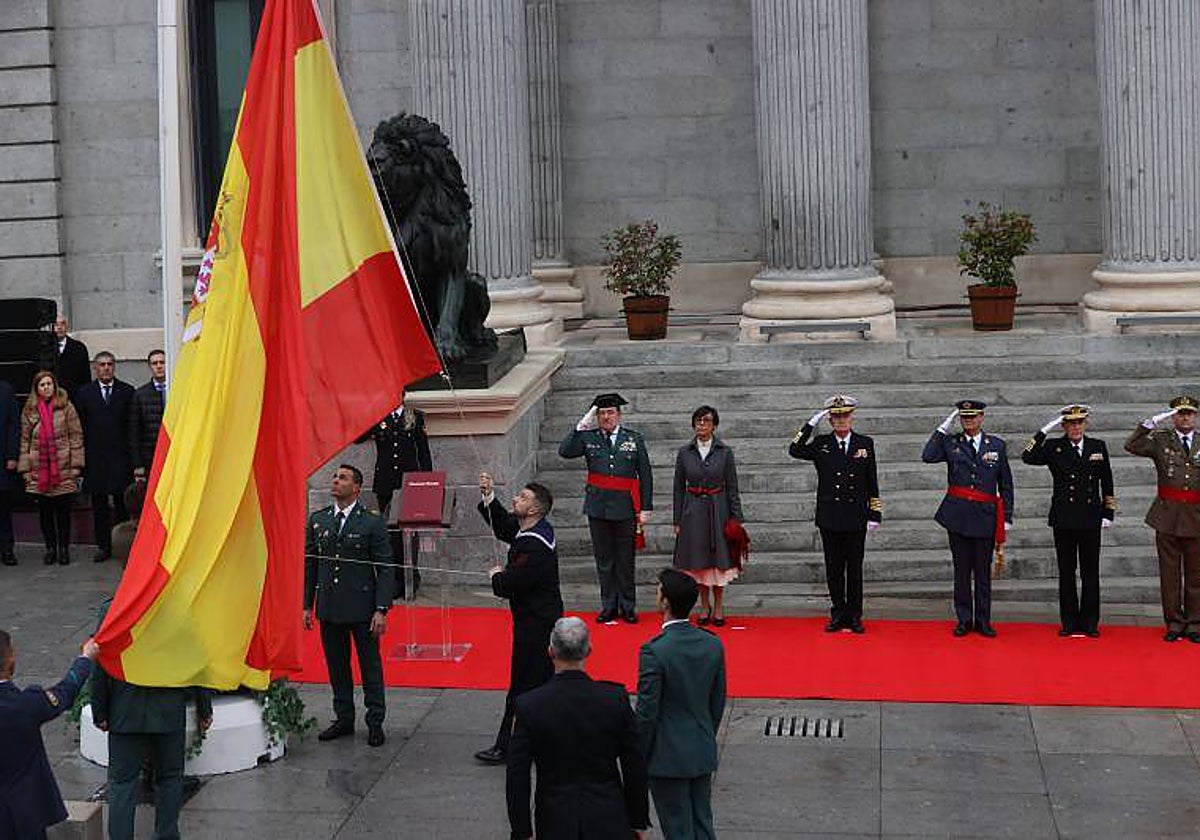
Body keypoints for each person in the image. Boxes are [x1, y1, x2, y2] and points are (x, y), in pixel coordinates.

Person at [506, 617, 649, 840]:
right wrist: (638, 819)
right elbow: (634, 764)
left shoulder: (530, 706)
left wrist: (521, 830)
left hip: (555, 818)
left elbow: (517, 774)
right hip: (608, 815)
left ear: (551, 652)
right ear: (589, 650)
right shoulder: (614, 700)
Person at [475, 472, 563, 765]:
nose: (516, 498)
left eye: (523, 497)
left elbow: (510, 585)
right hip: (537, 620)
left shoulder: (534, 544)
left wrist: (497, 575)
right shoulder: (533, 529)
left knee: (524, 685)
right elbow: (504, 526)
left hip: (536, 624)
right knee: (536, 682)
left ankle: (509, 746)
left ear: (535, 509)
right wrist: (488, 495)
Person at [303, 464, 393, 746]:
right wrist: (307, 605)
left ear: (356, 488)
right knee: (337, 666)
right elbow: (311, 565)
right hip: (330, 606)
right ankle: (343, 717)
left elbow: (385, 567)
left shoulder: (371, 522)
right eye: (334, 477)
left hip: (362, 607)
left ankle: (375, 720)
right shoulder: (319, 520)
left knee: (369, 667)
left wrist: (381, 608)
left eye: (342, 478)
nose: (335, 481)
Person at [91, 635, 212, 840]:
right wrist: (204, 705)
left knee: (122, 784)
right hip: (168, 709)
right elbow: (195, 656)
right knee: (170, 778)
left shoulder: (111, 609)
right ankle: (166, 835)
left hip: (126, 710)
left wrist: (100, 709)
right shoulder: (176, 605)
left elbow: (101, 658)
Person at [635, 568, 726, 840]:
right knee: (702, 824)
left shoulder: (654, 650)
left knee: (677, 829)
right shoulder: (711, 644)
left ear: (665, 602)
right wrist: (705, 733)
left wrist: (639, 753)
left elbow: (647, 712)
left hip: (667, 755)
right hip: (701, 746)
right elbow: (716, 701)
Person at [789, 394, 881, 633]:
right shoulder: (821, 444)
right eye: (836, 417)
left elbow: (872, 480)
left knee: (855, 568)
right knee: (833, 567)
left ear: (852, 417)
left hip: (856, 515)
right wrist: (809, 424)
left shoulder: (865, 443)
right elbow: (794, 449)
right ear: (830, 420)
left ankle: (855, 614)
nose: (841, 421)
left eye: (845, 416)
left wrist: (875, 513)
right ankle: (838, 612)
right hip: (830, 515)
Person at [921, 400, 1013, 638]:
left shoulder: (997, 445)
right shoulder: (951, 443)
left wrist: (1007, 518)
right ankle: (964, 619)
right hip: (958, 517)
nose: (969, 421)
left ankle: (983, 620)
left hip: (984, 517)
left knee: (982, 572)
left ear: (982, 418)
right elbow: (928, 456)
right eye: (964, 418)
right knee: (962, 572)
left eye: (973, 417)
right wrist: (943, 428)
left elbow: (1006, 484)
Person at [559, 392, 653, 624]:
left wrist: (646, 507)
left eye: (610, 412)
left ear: (618, 415)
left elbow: (646, 474)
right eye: (601, 413)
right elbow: (565, 451)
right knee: (604, 560)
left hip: (625, 508)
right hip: (598, 508)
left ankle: (628, 605)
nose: (606, 417)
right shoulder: (588, 437)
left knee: (625, 559)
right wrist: (583, 423)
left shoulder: (634, 439)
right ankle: (609, 605)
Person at [1023, 405, 1116, 637]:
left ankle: (1090, 623)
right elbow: (1027, 456)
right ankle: (1069, 622)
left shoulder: (1097, 446)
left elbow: (1107, 481)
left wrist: (1108, 513)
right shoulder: (1055, 446)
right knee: (1066, 572)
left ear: (1086, 424)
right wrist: (1044, 430)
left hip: (1090, 517)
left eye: (1080, 422)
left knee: (1090, 572)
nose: (1076, 427)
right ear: (1064, 425)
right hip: (1064, 518)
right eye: (1071, 423)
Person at [0, 632, 99, 840]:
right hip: (25, 815)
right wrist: (85, 658)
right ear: (10, 658)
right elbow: (65, 691)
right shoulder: (25, 705)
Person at [1125, 395, 1200, 642]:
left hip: (1196, 517)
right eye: (1180, 413)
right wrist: (1149, 423)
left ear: (1196, 416)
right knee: (1170, 575)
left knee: (1195, 574)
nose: (1185, 417)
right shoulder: (1161, 440)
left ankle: (1194, 623)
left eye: (1189, 413)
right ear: (1173, 417)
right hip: (1167, 516)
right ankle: (1174, 623)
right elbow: (1132, 445)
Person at [672, 404, 744, 627]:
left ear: (714, 425)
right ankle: (704, 605)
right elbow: (677, 488)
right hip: (692, 512)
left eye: (706, 421)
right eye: (698, 421)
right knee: (699, 563)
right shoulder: (685, 453)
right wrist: (677, 519)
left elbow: (732, 486)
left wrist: (736, 517)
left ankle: (719, 605)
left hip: (718, 510)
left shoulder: (725, 452)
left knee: (719, 562)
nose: (701, 425)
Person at [357, 399, 432, 598]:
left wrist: (427, 482)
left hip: (409, 482)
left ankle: (410, 576)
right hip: (386, 482)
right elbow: (358, 438)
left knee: (409, 533)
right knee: (388, 533)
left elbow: (423, 452)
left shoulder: (413, 416)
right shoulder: (378, 416)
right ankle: (392, 580)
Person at [73, 351, 135, 563]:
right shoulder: (84, 393)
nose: (106, 368)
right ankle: (103, 546)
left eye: (109, 364)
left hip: (120, 458)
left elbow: (131, 428)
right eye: (102, 364)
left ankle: (124, 545)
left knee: (121, 505)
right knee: (99, 506)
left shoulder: (127, 392)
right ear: (95, 368)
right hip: (95, 458)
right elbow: (79, 427)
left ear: (114, 366)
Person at [17, 370, 84, 566]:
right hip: (39, 470)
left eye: (49, 384)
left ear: (55, 386)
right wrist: (25, 470)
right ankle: (50, 548)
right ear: (36, 388)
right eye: (42, 385)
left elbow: (76, 436)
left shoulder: (66, 407)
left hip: (62, 468)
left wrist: (76, 466)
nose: (47, 388)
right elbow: (24, 440)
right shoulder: (30, 410)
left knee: (63, 512)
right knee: (45, 513)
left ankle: (63, 548)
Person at [128, 349, 168, 481]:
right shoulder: (140, 395)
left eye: (162, 362)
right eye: (155, 363)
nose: (159, 366)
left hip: (173, 453)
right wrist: (137, 464)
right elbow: (134, 431)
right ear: (150, 367)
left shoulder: (177, 390)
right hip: (150, 457)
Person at [0, 378, 17, 566]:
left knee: (3, 507)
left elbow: (13, 425)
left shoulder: (6, 389)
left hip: (2, 458)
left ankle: (7, 549)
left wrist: (12, 455)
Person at [53, 315, 90, 398]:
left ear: (67, 327)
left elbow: (85, 377)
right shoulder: (45, 348)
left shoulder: (79, 348)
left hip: (74, 397)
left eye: (62, 324)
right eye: (56, 324)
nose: (59, 327)